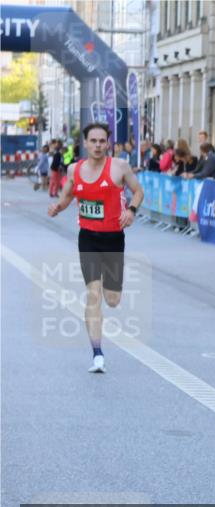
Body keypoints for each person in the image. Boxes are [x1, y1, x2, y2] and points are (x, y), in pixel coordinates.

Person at [46, 122, 144, 373]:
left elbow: (138, 191)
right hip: (87, 238)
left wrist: (131, 211)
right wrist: (58, 207)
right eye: (93, 141)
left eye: (102, 141)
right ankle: (97, 354)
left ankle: (110, 304)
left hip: (113, 239)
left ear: (108, 143)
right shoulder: (74, 170)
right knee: (93, 294)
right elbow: (68, 196)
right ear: (85, 143)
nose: (98, 145)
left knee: (112, 300)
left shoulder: (119, 167)